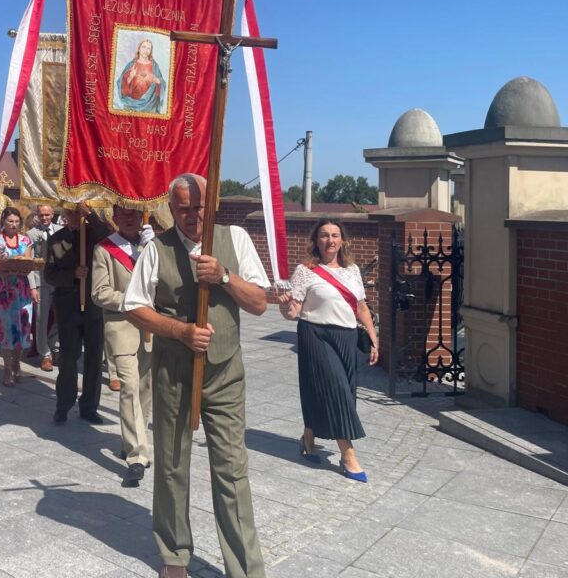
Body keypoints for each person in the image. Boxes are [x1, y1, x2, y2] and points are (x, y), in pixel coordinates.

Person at [122, 173, 269, 578]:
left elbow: (259, 302)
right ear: (171, 209)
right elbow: (134, 307)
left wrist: (223, 276)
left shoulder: (235, 239)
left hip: (224, 372)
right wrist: (181, 332)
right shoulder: (156, 249)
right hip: (174, 371)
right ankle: (173, 556)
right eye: (184, 208)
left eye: (199, 207)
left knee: (232, 468)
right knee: (171, 464)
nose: (193, 216)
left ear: (212, 205)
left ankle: (245, 567)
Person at [277, 219, 379, 482]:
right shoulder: (305, 271)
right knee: (336, 390)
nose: (330, 240)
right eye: (324, 235)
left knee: (340, 390)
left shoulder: (353, 270)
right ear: (316, 240)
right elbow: (294, 312)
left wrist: (373, 337)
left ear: (342, 240)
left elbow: (362, 307)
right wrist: (285, 306)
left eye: (335, 235)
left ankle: (308, 438)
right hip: (315, 335)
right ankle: (349, 454)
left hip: (346, 337)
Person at [91, 204, 155, 487]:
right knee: (128, 388)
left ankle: (131, 438)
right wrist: (133, 300)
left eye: (134, 213)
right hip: (122, 326)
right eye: (124, 214)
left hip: (152, 329)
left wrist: (153, 253)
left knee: (144, 389)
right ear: (114, 218)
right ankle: (137, 455)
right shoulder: (104, 249)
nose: (130, 218)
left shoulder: (152, 246)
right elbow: (99, 293)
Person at [45, 202, 111, 424]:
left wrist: (90, 215)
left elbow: (109, 237)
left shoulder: (94, 235)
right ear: (63, 214)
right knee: (68, 356)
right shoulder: (56, 239)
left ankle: (89, 406)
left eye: (77, 213)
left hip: (93, 305)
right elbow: (50, 275)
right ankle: (63, 404)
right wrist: (72, 274)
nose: (73, 217)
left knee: (93, 357)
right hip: (68, 306)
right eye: (69, 213)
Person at [0, 206, 34, 386]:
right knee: (5, 329)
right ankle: (7, 368)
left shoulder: (26, 240)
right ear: (3, 222)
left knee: (21, 328)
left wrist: (20, 267)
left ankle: (17, 362)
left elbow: (28, 263)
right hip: (3, 290)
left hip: (22, 290)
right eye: (10, 221)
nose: (13, 225)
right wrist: (9, 266)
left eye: (17, 222)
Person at [26, 203, 62, 371]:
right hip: (42, 280)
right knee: (42, 319)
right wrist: (33, 286)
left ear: (53, 214)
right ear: (37, 215)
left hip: (60, 280)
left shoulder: (60, 230)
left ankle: (55, 346)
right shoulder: (31, 234)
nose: (45, 218)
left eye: (47, 215)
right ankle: (44, 354)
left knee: (61, 317)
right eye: (41, 215)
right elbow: (30, 262)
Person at [116, 38, 165, 114]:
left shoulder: (154, 66)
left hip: (150, 105)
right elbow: (121, 84)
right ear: (139, 48)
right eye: (144, 47)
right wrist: (130, 77)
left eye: (149, 48)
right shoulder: (131, 65)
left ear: (151, 51)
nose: (146, 50)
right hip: (131, 105)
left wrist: (157, 80)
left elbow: (162, 82)